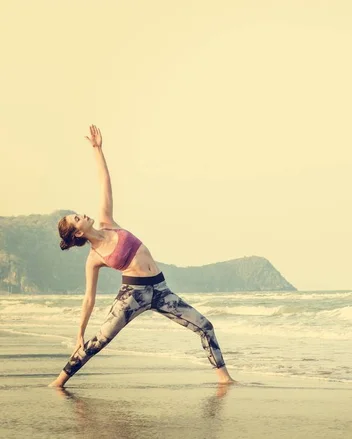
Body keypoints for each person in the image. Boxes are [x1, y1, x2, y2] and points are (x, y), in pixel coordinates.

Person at [48, 125, 234, 388]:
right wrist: (78, 333)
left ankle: (224, 380)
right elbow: (89, 298)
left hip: (161, 288)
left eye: (77, 213)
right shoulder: (94, 258)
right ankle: (59, 382)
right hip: (132, 297)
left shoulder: (107, 221)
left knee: (205, 326)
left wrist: (98, 150)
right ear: (77, 234)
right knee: (99, 341)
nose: (82, 215)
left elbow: (105, 182)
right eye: (77, 219)